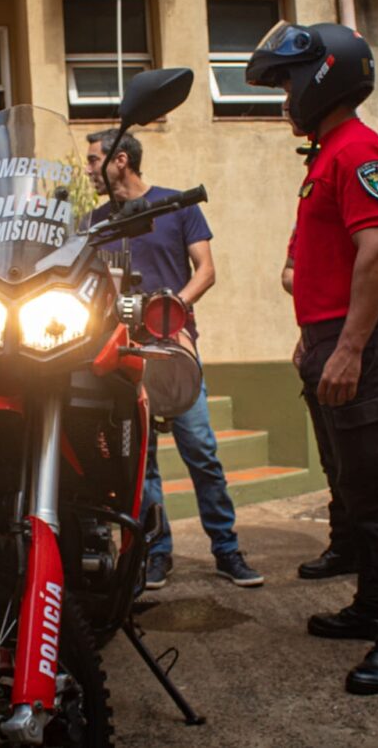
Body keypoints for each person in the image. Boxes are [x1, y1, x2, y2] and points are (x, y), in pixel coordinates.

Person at [247, 21, 378, 694]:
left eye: (289, 81)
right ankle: (372, 607)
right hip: (332, 340)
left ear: (325, 75)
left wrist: (347, 347)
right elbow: (331, 263)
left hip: (364, 345)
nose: (285, 95)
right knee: (352, 488)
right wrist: (315, 337)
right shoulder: (327, 154)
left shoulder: (359, 150)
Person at [86, 129, 264, 589]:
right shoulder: (95, 222)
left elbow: (206, 270)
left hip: (174, 347)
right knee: (142, 463)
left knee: (201, 451)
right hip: (120, 354)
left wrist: (171, 311)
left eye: (93, 161)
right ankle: (157, 554)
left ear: (119, 161)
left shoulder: (177, 205)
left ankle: (227, 550)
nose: (88, 170)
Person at [288, 200, 378, 581]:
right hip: (321, 340)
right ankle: (347, 549)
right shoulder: (312, 207)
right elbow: (292, 273)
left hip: (362, 339)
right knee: (339, 467)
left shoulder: (371, 187)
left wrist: (339, 281)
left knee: (376, 478)